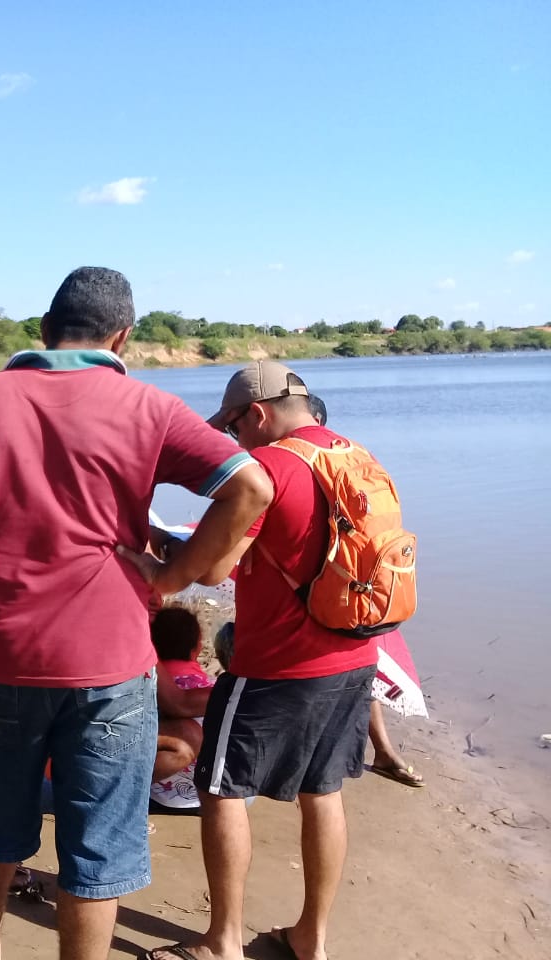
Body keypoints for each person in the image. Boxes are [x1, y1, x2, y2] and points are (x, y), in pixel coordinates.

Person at [0, 266, 273, 960]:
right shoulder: (149, 408)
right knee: (97, 846)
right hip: (112, 665)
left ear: (44, 331)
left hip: (4, 656)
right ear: (123, 337)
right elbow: (250, 487)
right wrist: (171, 576)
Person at [132, 361, 384, 960]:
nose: (231, 442)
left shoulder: (267, 466)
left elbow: (214, 568)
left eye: (234, 428)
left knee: (220, 790)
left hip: (278, 662)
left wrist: (158, 549)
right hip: (353, 653)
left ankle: (222, 942)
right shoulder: (354, 454)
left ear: (259, 415)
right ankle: (310, 941)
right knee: (322, 792)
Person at [307, 393, 424, 789]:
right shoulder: (354, 459)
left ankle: (381, 751)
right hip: (363, 587)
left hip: (344, 586)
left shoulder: (319, 463)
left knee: (360, 668)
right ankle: (382, 751)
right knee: (360, 666)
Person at [151, 606, 214, 787]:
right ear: (197, 647)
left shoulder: (145, 681)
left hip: (158, 790)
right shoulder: (214, 688)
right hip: (206, 794)